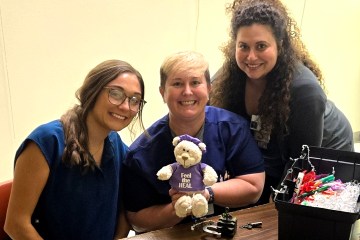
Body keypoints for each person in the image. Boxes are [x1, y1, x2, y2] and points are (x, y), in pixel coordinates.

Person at [210, 0, 354, 205]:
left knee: (288, 207)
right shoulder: (230, 77)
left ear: (280, 45)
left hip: (324, 152)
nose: (251, 56)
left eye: (261, 46)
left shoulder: (305, 91)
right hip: (277, 149)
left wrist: (277, 200)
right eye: (243, 46)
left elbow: (301, 161)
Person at [122, 50, 265, 233]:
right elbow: (137, 219)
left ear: (209, 88)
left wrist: (205, 193)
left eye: (195, 82)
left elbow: (254, 186)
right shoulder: (141, 153)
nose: (187, 91)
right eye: (177, 83)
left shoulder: (233, 128)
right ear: (162, 93)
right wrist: (177, 209)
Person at [4, 59, 147, 240]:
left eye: (135, 100)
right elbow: (17, 225)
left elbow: (123, 212)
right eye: (116, 93)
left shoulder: (117, 146)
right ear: (91, 92)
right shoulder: (47, 142)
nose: (126, 106)